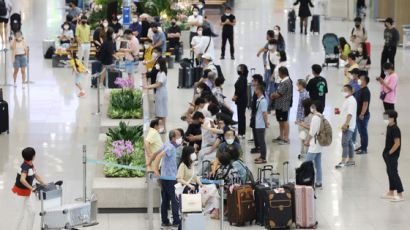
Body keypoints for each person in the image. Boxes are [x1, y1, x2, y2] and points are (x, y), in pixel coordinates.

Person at [148, 130, 182, 228]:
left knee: (165, 199)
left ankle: (165, 221)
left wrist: (149, 164)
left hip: (164, 178)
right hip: (170, 178)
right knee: (174, 200)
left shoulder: (167, 144)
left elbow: (154, 153)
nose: (180, 138)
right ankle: (176, 221)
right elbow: (159, 155)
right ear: (173, 138)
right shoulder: (170, 147)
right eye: (179, 136)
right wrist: (155, 170)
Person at [12, 147, 47, 230]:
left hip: (26, 193)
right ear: (33, 156)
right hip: (20, 194)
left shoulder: (30, 165)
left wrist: (45, 184)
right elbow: (22, 180)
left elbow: (36, 176)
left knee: (32, 212)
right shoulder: (25, 167)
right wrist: (32, 188)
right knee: (20, 216)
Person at [381, 110, 404, 202]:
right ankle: (391, 192)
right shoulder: (389, 126)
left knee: (394, 173)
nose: (385, 120)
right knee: (389, 172)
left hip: (392, 155)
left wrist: (390, 153)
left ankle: (400, 193)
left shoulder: (395, 128)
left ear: (392, 118)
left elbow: (397, 143)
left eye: (386, 118)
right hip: (387, 154)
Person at [303, 100, 324, 188]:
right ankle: (319, 182)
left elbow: (312, 131)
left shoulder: (315, 117)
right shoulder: (322, 116)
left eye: (313, 106)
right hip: (319, 143)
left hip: (314, 144)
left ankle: (304, 181)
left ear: (315, 107)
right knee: (318, 164)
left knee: (306, 163)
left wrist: (308, 141)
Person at [335, 85, 357, 169]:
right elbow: (346, 112)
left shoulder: (351, 101)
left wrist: (346, 124)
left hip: (348, 126)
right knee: (349, 143)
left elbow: (350, 113)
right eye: (343, 90)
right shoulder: (348, 100)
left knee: (344, 143)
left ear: (351, 91)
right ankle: (351, 160)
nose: (344, 92)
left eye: (346, 90)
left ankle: (343, 161)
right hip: (347, 125)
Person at [144, 58, 168, 133]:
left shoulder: (163, 74)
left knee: (162, 112)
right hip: (158, 93)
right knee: (158, 111)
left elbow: (158, 84)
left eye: (158, 64)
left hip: (162, 93)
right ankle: (160, 128)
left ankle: (163, 128)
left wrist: (149, 87)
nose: (156, 65)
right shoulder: (159, 73)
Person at [271, 67, 293, 145]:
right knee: (280, 121)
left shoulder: (286, 82)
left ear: (281, 73)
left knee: (284, 121)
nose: (278, 74)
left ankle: (286, 138)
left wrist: (272, 95)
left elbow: (278, 94)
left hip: (283, 105)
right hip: (280, 105)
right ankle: (281, 136)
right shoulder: (284, 81)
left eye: (279, 73)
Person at [253, 85, 269, 164]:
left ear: (258, 91)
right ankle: (261, 156)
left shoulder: (263, 101)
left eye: (255, 89)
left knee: (262, 142)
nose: (254, 90)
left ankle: (263, 158)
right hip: (258, 123)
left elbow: (264, 113)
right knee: (260, 141)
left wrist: (266, 123)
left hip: (261, 124)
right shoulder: (259, 100)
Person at [355, 75, 370, 155]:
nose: (359, 80)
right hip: (359, 115)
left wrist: (362, 114)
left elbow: (365, 103)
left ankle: (364, 149)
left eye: (360, 79)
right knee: (361, 132)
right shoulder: (361, 90)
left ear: (364, 81)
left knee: (363, 132)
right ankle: (362, 146)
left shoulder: (365, 91)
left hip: (363, 116)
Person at [250, 74, 265, 151]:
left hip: (257, 115)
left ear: (257, 81)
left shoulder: (259, 91)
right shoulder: (256, 89)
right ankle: (257, 145)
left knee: (257, 131)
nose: (252, 82)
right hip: (255, 114)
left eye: (254, 80)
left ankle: (258, 147)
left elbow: (259, 105)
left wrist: (254, 112)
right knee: (254, 129)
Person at [233, 64, 248, 138]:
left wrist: (235, 96)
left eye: (241, 68)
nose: (239, 69)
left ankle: (241, 133)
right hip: (240, 99)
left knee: (241, 116)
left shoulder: (243, 78)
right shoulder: (241, 77)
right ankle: (241, 132)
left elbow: (240, 90)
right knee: (241, 116)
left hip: (242, 100)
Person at [265, 39, 280, 109]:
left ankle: (272, 105)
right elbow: (266, 63)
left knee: (272, 90)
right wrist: (265, 72)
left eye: (271, 44)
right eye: (269, 44)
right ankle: (269, 103)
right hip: (267, 72)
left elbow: (276, 66)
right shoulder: (268, 52)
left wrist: (272, 76)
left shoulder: (276, 54)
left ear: (274, 45)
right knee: (266, 88)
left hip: (272, 73)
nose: (269, 45)